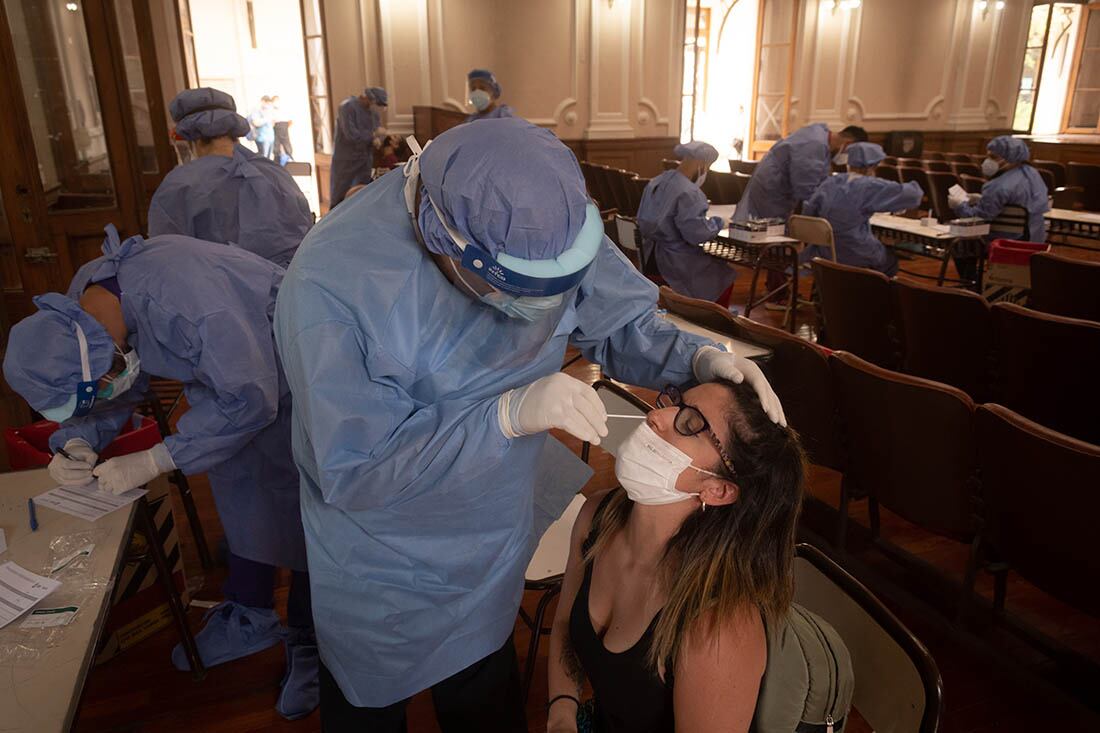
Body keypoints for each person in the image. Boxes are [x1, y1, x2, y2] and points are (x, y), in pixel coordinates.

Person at [273, 117, 785, 732]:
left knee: (481, 685)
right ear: (445, 241)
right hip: (386, 555)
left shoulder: (546, 215)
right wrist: (504, 417)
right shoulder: (331, 288)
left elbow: (617, 319)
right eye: (516, 288)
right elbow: (357, 466)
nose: (543, 313)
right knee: (369, 706)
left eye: (557, 286)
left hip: (492, 528)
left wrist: (697, 357)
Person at [2, 227, 319, 720]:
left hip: (296, 370)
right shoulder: (88, 304)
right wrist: (80, 439)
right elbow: (117, 382)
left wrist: (156, 458)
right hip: (232, 381)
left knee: (303, 510)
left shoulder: (187, 303)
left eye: (96, 386)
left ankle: (311, 645)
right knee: (245, 493)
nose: (106, 387)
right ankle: (251, 611)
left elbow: (251, 399)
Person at [546, 380, 804, 733]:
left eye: (690, 424)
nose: (656, 415)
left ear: (717, 489)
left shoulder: (716, 625)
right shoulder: (597, 517)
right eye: (674, 402)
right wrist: (561, 715)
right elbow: (563, 624)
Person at [149, 87, 312, 268]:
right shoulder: (275, 173)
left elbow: (166, 258)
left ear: (190, 136)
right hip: (288, 290)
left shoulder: (180, 185)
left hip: (215, 293)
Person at [801, 142, 923, 276]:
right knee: (890, 261)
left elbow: (809, 212)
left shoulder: (831, 182)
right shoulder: (868, 185)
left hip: (824, 252)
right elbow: (912, 194)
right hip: (853, 251)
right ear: (872, 166)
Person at [636, 141, 733, 305]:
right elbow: (697, 234)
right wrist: (718, 224)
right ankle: (710, 320)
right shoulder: (689, 192)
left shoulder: (656, 182)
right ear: (702, 163)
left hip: (647, 256)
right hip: (673, 261)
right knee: (722, 274)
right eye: (708, 166)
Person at [948, 135, 1050, 282]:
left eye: (993, 157)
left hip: (1004, 242)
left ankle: (970, 283)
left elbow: (979, 218)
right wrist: (980, 199)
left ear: (1009, 158)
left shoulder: (997, 186)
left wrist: (959, 205)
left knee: (959, 246)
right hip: (1035, 238)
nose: (988, 161)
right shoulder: (1033, 174)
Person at [734, 123, 868, 224]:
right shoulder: (814, 145)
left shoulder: (819, 134)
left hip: (772, 184)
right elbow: (807, 190)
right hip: (773, 191)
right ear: (848, 144)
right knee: (766, 232)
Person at [330, 86, 388, 206]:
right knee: (340, 197)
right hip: (346, 160)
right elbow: (351, 134)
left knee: (362, 197)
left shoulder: (373, 113)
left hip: (364, 159)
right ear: (369, 99)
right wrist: (372, 136)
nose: (377, 108)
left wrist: (378, 139)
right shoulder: (347, 107)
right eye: (377, 104)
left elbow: (376, 129)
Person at [250, 96, 276, 160]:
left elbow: (272, 124)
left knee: (268, 158)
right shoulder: (256, 110)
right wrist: (266, 119)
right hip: (262, 138)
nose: (268, 106)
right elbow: (256, 123)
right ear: (263, 101)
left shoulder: (269, 111)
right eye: (267, 103)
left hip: (270, 137)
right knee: (263, 158)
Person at [271, 94, 294, 165]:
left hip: (283, 125)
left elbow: (290, 121)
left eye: (276, 101)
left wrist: (285, 126)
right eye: (274, 101)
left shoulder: (284, 109)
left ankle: (289, 157)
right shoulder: (272, 110)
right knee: (276, 143)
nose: (275, 103)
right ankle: (277, 160)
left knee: (285, 142)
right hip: (276, 126)